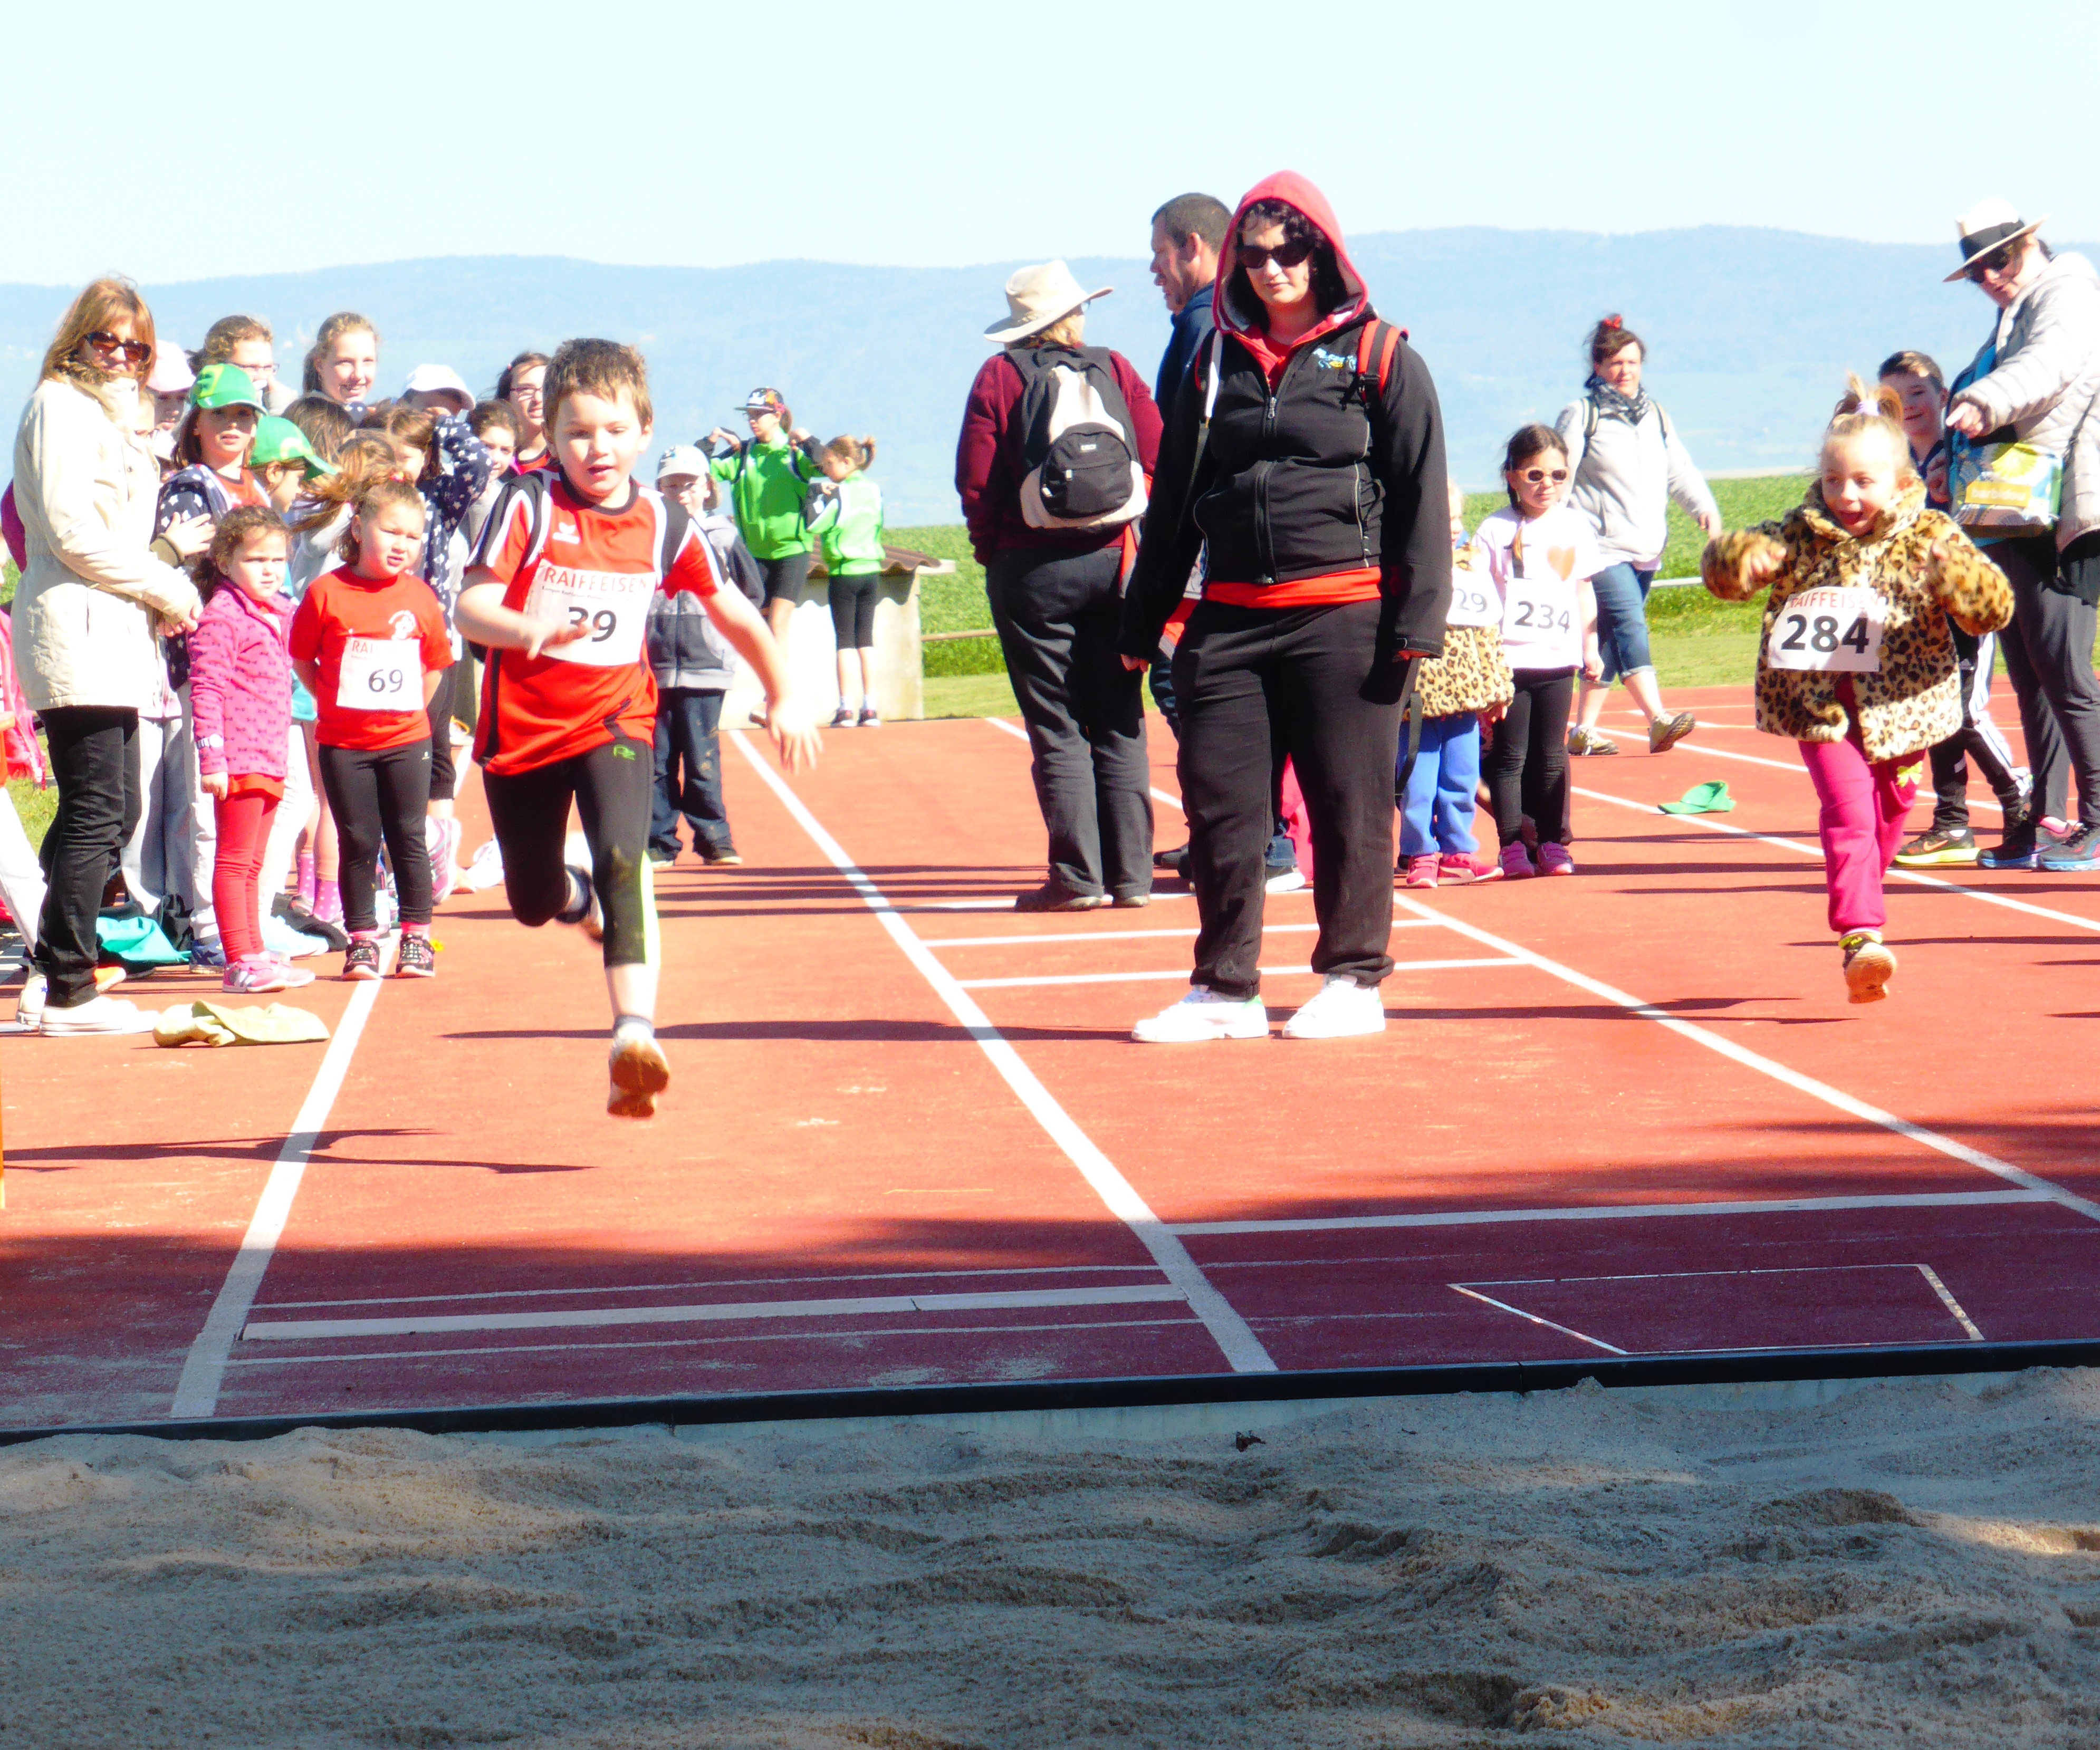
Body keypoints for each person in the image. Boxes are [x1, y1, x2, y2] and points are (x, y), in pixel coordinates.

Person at [1118, 173, 1451, 1041]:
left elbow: (1422, 492)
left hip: (1344, 614)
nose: (1273, 268)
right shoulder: (1213, 361)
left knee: (1348, 806)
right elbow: (1175, 498)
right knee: (1222, 811)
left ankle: (1353, 979)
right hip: (1230, 617)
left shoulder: (1381, 356)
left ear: (1323, 251)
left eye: (1290, 249)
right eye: (1256, 253)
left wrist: (1417, 624)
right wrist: (1141, 621)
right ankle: (1225, 988)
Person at [458, 339, 820, 1118]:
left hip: (616, 720)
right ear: (552, 435)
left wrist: (784, 692)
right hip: (523, 730)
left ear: (645, 431)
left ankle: (634, 1036)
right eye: (580, 432)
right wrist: (527, 629)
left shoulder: (664, 521)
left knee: (629, 858)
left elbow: (735, 612)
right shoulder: (529, 506)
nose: (599, 448)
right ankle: (576, 898)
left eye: (616, 431)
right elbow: (471, 606)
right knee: (532, 897)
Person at [1703, 379, 2011, 1003]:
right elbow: (1726, 574)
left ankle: (1864, 899)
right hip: (1821, 709)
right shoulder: (1800, 533)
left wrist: (1960, 581)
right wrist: (1740, 561)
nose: (1846, 496)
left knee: (1889, 818)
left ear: (1899, 482)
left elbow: (1992, 611)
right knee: (1849, 814)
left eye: (1863, 483)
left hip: (1904, 712)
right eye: (1833, 480)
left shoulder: (1930, 534)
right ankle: (1860, 936)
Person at [11, 277, 207, 1034]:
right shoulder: (60, 406)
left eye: (138, 348)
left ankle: (48, 968)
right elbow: (72, 533)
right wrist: (166, 584)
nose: (123, 356)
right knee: (99, 806)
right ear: (79, 340)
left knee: (111, 807)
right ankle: (70, 986)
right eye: (108, 340)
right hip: (77, 623)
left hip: (114, 627)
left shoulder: (114, 416)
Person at [958, 262, 1162, 911]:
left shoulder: (999, 376)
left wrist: (994, 550)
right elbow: (1157, 453)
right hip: (1116, 561)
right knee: (1120, 718)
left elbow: (976, 480)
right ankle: (1132, 877)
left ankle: (1077, 878)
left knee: (1057, 722)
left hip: (1032, 569)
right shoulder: (1116, 368)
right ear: (1074, 315)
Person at [1939, 200, 2100, 873]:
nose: (1990, 277)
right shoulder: (2015, 311)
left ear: (2030, 244)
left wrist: (1985, 401)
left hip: (2062, 517)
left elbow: (2048, 365)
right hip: (2018, 514)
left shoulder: (2067, 291)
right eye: (1977, 271)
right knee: (2033, 678)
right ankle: (2044, 823)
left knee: (2065, 675)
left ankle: (2097, 824)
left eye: (1998, 260)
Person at [290, 477, 452, 979]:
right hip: (344, 744)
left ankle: (416, 937)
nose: (402, 545)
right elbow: (303, 659)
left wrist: (408, 712)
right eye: (391, 532)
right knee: (358, 840)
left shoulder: (420, 597)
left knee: (408, 836)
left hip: (406, 742)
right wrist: (332, 701)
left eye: (413, 536)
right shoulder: (326, 593)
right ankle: (362, 940)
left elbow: (435, 666)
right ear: (359, 529)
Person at [1879, 350, 2030, 868]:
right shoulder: (1892, 466)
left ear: (1942, 397)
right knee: (1935, 714)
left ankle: (2018, 795)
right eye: (1895, 398)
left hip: (1965, 605)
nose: (1908, 405)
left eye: (1918, 393)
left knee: (1964, 712)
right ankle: (1951, 823)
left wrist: (1955, 490)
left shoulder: (1961, 451)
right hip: (1917, 614)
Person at [1556, 315, 1718, 757]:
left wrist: (1703, 508)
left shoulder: (1655, 415)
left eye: (1631, 362)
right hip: (1599, 547)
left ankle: (1583, 731)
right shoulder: (1582, 414)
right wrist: (1552, 530)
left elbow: (1678, 470)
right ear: (1597, 366)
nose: (1623, 370)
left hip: (1646, 546)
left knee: (1610, 638)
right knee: (1630, 622)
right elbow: (1560, 475)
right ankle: (1658, 718)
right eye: (1614, 363)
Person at [371, 397, 493, 898]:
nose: (399, 467)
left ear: (427, 458)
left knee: (436, 751)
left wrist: (445, 425)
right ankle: (388, 861)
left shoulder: (437, 501)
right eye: (390, 455)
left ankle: (435, 862)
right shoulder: (368, 503)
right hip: (379, 643)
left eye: (409, 455)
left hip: (434, 643)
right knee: (391, 752)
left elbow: (479, 466)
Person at [188, 506, 313, 995]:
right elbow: (206, 690)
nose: (269, 570)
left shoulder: (276, 611)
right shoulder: (223, 617)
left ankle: (255, 953)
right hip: (238, 761)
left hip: (270, 755)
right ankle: (238, 961)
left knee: (257, 865)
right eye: (256, 560)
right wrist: (212, 759)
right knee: (234, 861)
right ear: (225, 562)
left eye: (278, 560)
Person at [1474, 427, 1603, 878]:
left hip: (1557, 660)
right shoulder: (1494, 529)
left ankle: (1551, 843)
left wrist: (1590, 646)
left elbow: (1582, 590)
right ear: (1511, 477)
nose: (1546, 484)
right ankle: (1511, 844)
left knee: (1551, 755)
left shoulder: (1574, 526)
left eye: (1557, 475)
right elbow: (1483, 598)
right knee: (1510, 757)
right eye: (1534, 475)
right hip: (1509, 662)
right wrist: (1485, 659)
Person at [647, 445, 766, 867]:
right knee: (657, 761)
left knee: (702, 760)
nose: (681, 492)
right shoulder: (648, 535)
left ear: (706, 488)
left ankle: (715, 839)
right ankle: (658, 843)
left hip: (706, 667)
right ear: (658, 488)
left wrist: (721, 632)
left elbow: (751, 595)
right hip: (654, 669)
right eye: (671, 485)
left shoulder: (723, 537)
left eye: (689, 484)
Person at [1401, 482, 1513, 887]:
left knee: (1462, 777)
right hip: (1416, 698)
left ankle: (1457, 851)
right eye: (1442, 518)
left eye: (1456, 518)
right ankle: (1419, 853)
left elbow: (1487, 631)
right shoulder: (1400, 566)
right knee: (1417, 780)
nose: (1453, 527)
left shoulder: (1471, 564)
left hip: (1465, 697)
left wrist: (1498, 688)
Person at [707, 389, 822, 651]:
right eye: (749, 414)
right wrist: (711, 441)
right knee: (756, 625)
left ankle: (780, 680)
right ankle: (768, 677)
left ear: (777, 416)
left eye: (759, 414)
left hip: (792, 551)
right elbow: (700, 471)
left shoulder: (794, 452)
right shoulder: (743, 454)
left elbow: (825, 465)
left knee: (778, 624)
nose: (752, 420)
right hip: (755, 554)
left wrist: (806, 438)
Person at [807, 434, 885, 727]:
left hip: (844, 572)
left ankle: (846, 709)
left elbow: (815, 524)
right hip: (871, 570)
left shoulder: (840, 493)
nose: (826, 470)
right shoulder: (874, 490)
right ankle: (871, 708)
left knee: (845, 643)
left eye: (829, 463)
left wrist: (815, 495)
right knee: (866, 641)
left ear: (846, 462)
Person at [197, 314, 294, 415]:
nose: (262, 377)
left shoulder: (283, 402)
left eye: (268, 368)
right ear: (216, 366)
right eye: (250, 368)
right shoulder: (200, 415)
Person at [302, 313, 379, 411]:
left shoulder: (372, 417)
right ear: (320, 365)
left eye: (368, 361)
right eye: (346, 362)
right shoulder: (304, 418)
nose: (358, 375)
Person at [496, 352, 552, 474]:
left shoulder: (567, 457)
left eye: (546, 389)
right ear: (507, 398)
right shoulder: (492, 458)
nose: (538, 399)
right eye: (526, 389)